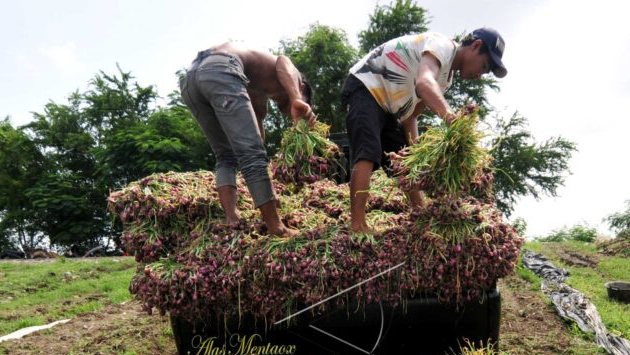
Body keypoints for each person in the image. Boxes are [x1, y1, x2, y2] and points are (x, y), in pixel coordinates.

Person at [341, 28, 507, 234]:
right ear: (476, 46)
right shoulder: (442, 45)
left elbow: (411, 115)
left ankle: (421, 213)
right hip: (366, 85)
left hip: (388, 106)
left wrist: (416, 153)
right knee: (368, 151)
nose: (481, 75)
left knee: (405, 165)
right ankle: (358, 225)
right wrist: (452, 119)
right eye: (485, 66)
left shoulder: (445, 79)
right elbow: (424, 84)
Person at [180, 43, 317, 237]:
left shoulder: (256, 90)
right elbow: (283, 61)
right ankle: (276, 227)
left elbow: (256, 139)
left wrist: (268, 191)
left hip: (192, 78)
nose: (291, 114)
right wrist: (296, 97)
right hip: (221, 68)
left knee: (226, 154)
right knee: (250, 155)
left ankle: (231, 217)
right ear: (302, 87)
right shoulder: (293, 77)